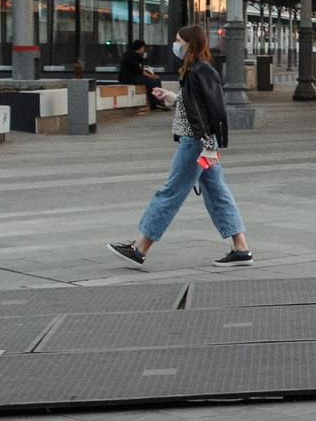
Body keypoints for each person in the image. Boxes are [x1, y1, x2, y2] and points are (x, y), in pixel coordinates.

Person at [108, 23, 253, 269]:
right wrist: (172, 97)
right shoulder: (196, 69)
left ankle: (140, 248)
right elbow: (195, 105)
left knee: (170, 192)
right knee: (217, 192)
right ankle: (241, 248)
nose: (175, 44)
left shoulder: (199, 70)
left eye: (178, 40)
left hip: (195, 143)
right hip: (203, 142)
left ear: (189, 43)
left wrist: (207, 142)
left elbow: (207, 110)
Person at [116, 40, 173, 113]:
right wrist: (151, 76)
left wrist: (151, 75)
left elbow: (142, 69)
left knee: (157, 80)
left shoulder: (138, 56)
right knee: (152, 81)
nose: (144, 50)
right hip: (128, 77)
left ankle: (160, 101)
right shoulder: (130, 56)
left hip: (135, 75)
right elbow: (139, 70)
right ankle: (154, 103)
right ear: (139, 48)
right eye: (143, 48)